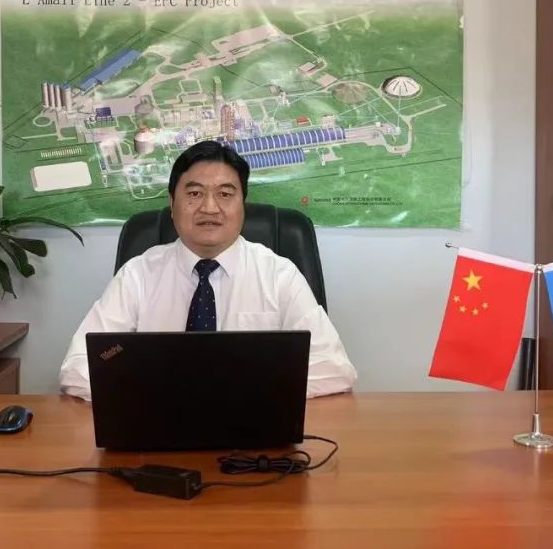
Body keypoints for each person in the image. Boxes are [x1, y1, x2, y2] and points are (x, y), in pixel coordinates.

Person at [58, 140, 357, 400]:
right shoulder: (138, 275)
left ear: (243, 206)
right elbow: (78, 367)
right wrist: (165, 392)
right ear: (172, 204)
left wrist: (231, 390)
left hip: (252, 429)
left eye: (225, 194)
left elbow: (334, 368)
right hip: (159, 428)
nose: (210, 208)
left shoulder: (279, 276)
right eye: (194, 194)